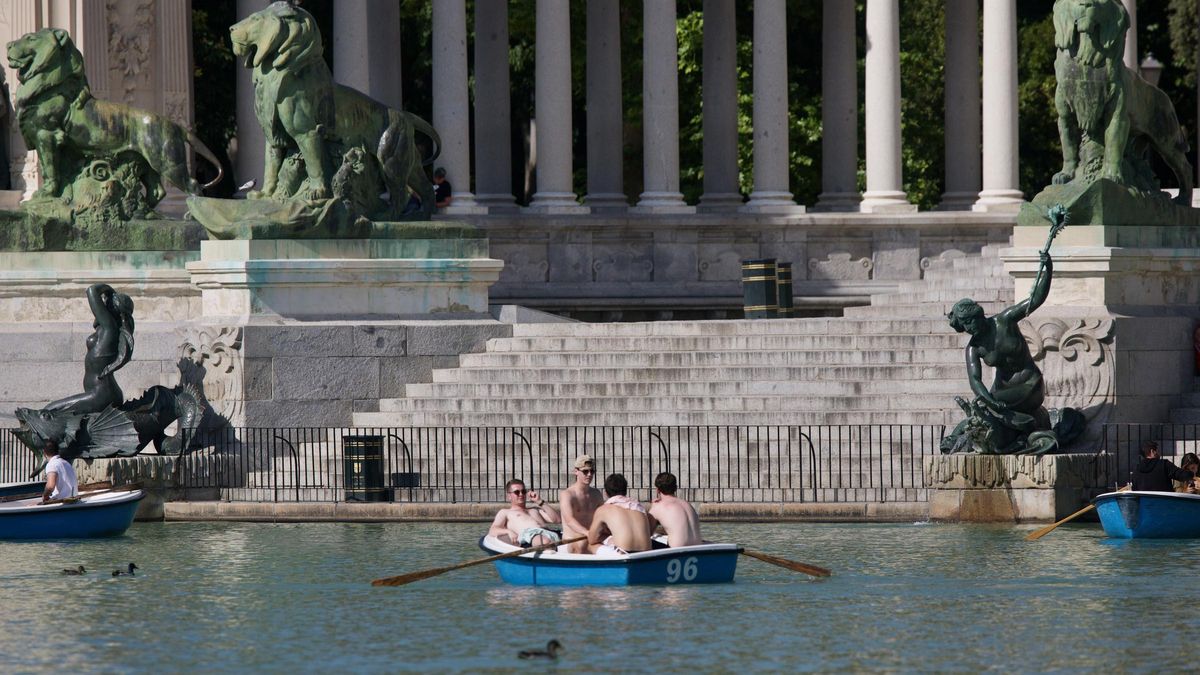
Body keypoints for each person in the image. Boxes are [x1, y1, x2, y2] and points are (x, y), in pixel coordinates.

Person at [44, 283, 134, 414]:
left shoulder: (110, 328)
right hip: (100, 392)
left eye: (105, 303)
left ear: (111, 309)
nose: (101, 305)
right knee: (52, 411)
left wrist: (109, 290)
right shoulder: (106, 330)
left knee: (49, 411)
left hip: (101, 395)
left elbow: (92, 291)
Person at [587, 474, 653, 555]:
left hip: (624, 554)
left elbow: (592, 539)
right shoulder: (640, 507)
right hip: (645, 554)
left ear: (605, 493)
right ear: (625, 490)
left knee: (591, 545)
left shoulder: (603, 509)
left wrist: (606, 536)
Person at [487, 478, 561, 547]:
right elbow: (492, 530)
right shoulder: (505, 512)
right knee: (546, 541)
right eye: (517, 492)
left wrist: (540, 501)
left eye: (523, 491)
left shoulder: (535, 510)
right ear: (509, 496)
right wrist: (508, 531)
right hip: (531, 537)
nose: (521, 494)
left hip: (550, 534)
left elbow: (557, 520)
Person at [558, 455, 604, 553]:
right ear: (576, 472)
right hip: (571, 541)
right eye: (585, 471)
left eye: (592, 471)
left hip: (591, 539)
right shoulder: (567, 494)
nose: (589, 474)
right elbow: (569, 520)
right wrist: (587, 533)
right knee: (581, 540)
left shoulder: (596, 494)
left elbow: (603, 517)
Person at [649, 472, 703, 547]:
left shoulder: (657, 507)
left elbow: (648, 533)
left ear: (657, 490)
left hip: (677, 551)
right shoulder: (687, 504)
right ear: (676, 488)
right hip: (698, 548)